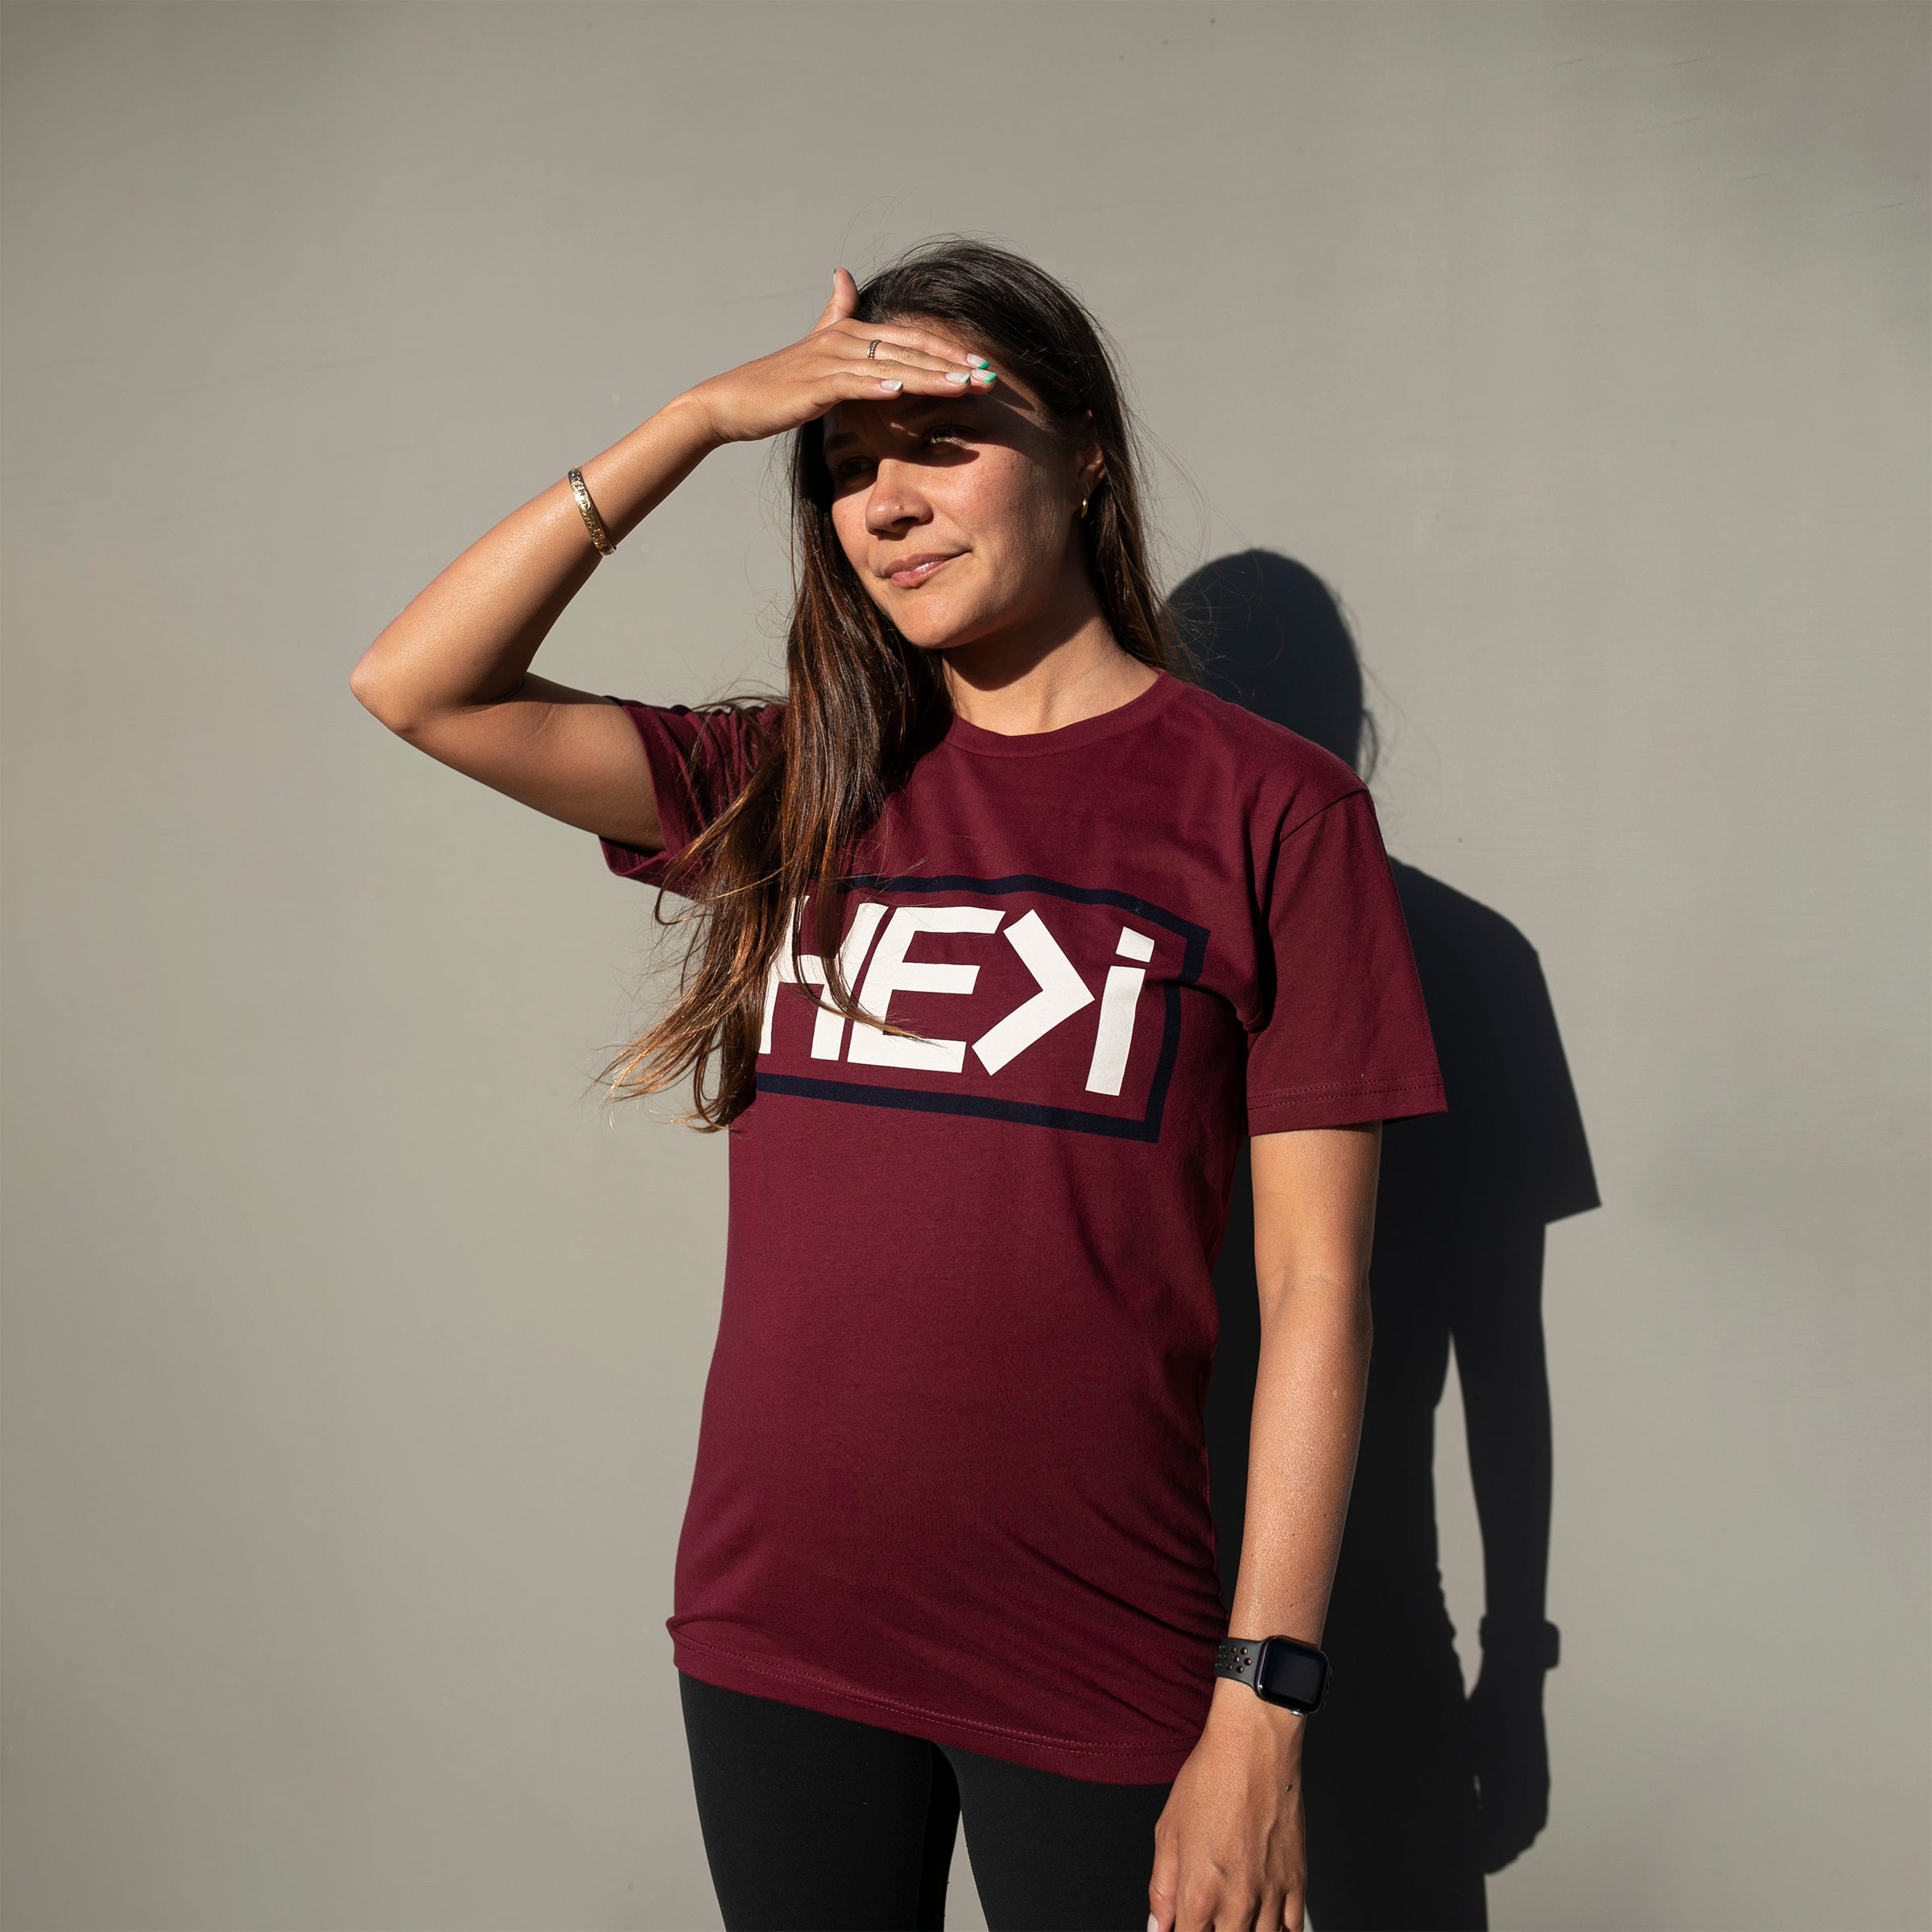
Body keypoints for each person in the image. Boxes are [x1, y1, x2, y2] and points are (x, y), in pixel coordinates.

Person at [351, 238, 1447, 1932]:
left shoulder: (1273, 810)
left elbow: (1319, 1287)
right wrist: (701, 419)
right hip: (777, 1631)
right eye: (845, 468)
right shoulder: (799, 781)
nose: (888, 504)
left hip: (1097, 1643)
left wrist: (1262, 1706)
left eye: (942, 441)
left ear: (1088, 458)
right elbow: (417, 684)